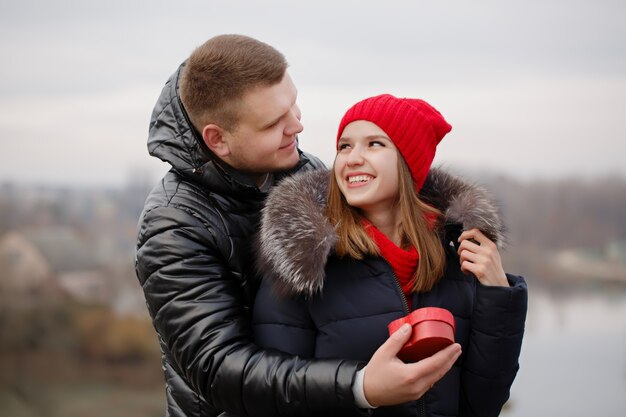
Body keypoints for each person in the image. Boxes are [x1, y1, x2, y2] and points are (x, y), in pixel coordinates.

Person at [135, 36, 462, 417]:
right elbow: (217, 369)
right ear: (217, 139)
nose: (298, 125)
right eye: (275, 123)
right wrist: (361, 386)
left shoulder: (304, 173)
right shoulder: (173, 227)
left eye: (293, 105)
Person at [253, 94, 528, 416]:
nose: (352, 158)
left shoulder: (459, 258)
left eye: (374, 144)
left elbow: (484, 402)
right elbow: (275, 396)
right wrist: (365, 391)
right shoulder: (303, 263)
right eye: (344, 146)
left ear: (410, 162)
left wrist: (497, 294)